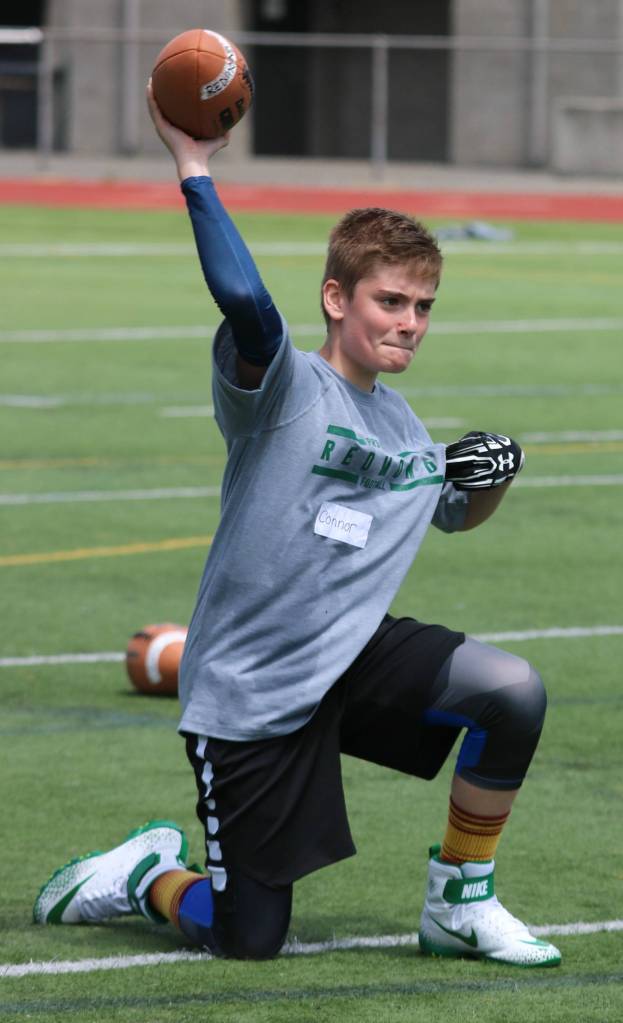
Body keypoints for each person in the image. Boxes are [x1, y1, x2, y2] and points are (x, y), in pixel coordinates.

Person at [32, 83, 561, 969]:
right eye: (390, 301)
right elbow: (245, 301)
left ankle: (459, 900)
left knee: (511, 691)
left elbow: (455, 514)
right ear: (335, 298)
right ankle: (145, 875)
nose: (409, 323)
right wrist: (193, 166)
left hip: (349, 656)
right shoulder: (282, 389)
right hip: (251, 688)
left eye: (423, 306)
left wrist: (492, 476)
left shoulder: (404, 426)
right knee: (247, 937)